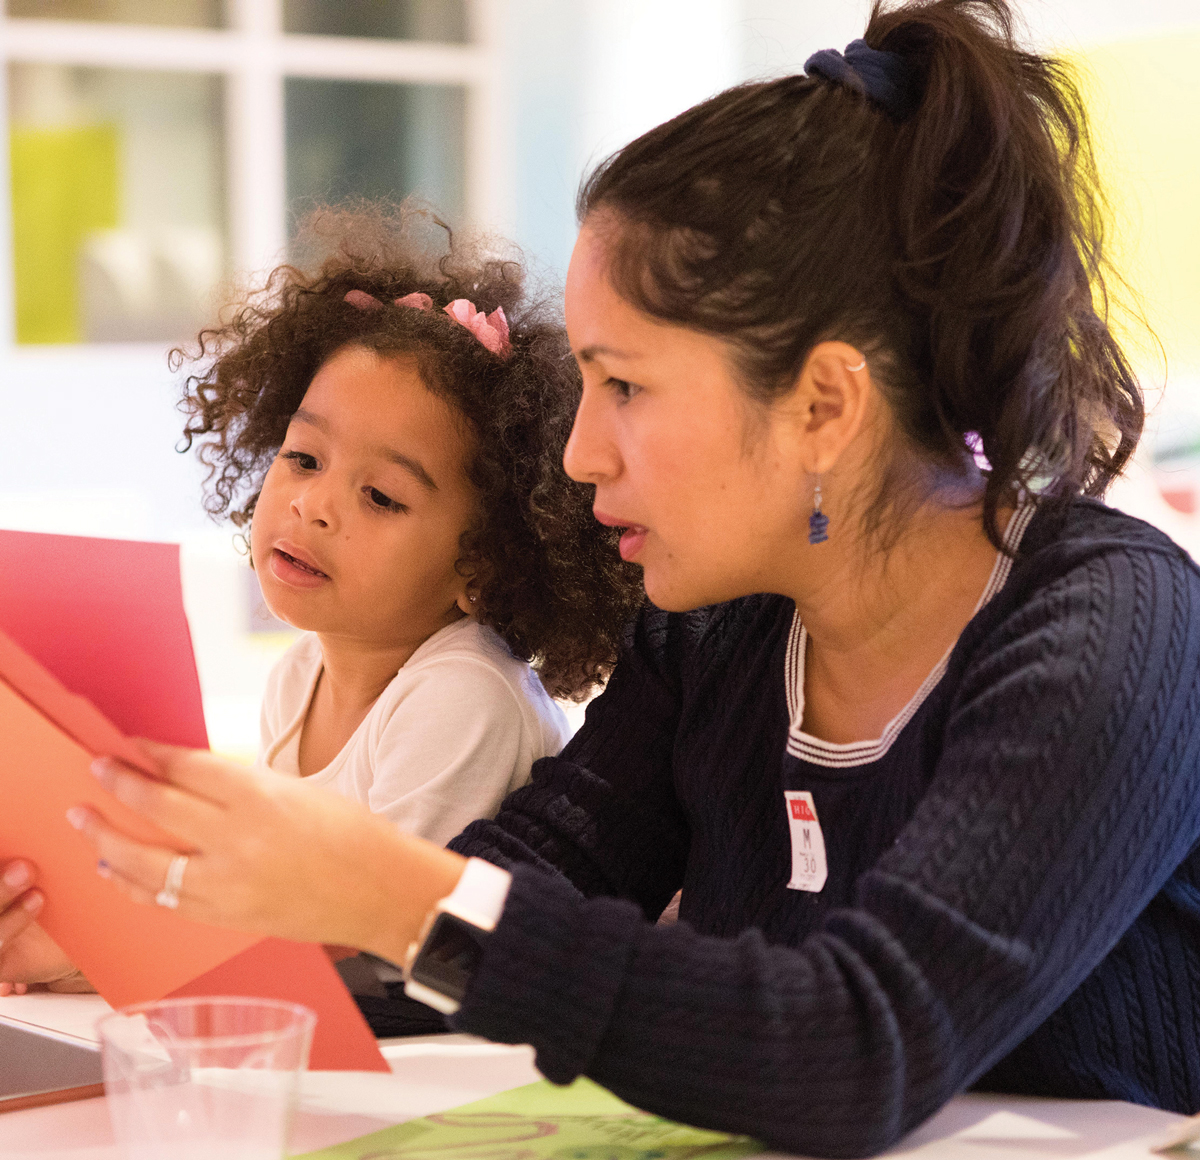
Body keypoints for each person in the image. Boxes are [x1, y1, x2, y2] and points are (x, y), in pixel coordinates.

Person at [3, 0, 1199, 1153]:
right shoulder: (718, 635)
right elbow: (518, 895)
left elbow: (855, 1045)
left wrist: (392, 894)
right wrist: (150, 932)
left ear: (825, 404)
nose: (580, 453)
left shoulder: (1110, 625)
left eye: (623, 385)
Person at [0, 205, 642, 1005]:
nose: (313, 506)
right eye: (302, 457)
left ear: (481, 563)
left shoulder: (462, 697)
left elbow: (372, 942)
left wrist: (97, 957)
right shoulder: (297, 676)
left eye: (379, 495)